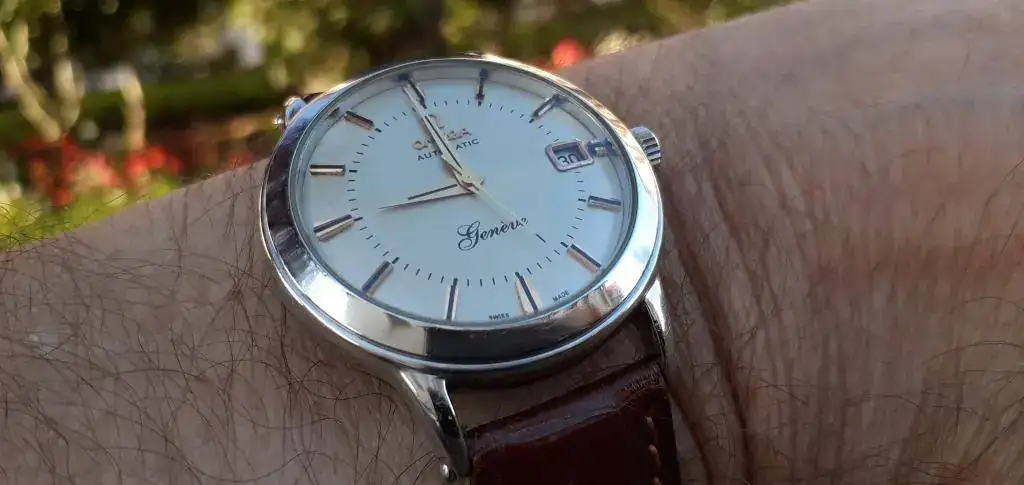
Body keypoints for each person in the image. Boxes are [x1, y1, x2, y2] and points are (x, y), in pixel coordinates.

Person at [4, 0, 1024, 482]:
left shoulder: (583, 160)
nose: (461, 178)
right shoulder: (321, 204)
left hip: (617, 298)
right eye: (447, 171)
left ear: (635, 149)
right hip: (451, 373)